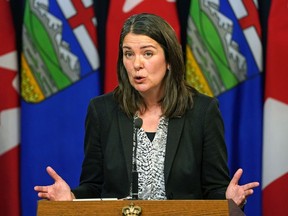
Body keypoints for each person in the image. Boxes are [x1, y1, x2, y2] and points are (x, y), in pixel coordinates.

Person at [34, 13, 259, 207]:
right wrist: (71, 197)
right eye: (128, 53)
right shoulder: (102, 111)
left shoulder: (202, 111)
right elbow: (94, 186)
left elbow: (214, 189)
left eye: (148, 53)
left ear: (169, 59)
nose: (136, 64)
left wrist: (230, 199)